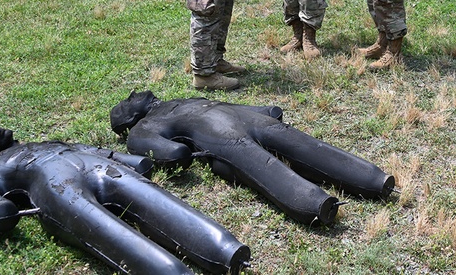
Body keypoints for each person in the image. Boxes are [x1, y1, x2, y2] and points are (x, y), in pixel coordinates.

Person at [0, 122, 250, 275]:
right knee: (102, 226)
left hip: (97, 167)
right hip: (54, 186)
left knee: (151, 197)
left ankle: (223, 248)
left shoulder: (45, 141)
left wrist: (127, 160)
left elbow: (91, 150)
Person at [110, 91, 395, 226]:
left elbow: (226, 105)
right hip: (223, 139)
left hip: (244, 120)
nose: (137, 93)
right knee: (262, 165)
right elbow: (174, 154)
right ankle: (317, 204)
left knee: (307, 145)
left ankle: (373, 179)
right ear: (129, 118)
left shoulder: (179, 101)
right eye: (128, 100)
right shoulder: (142, 128)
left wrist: (262, 110)